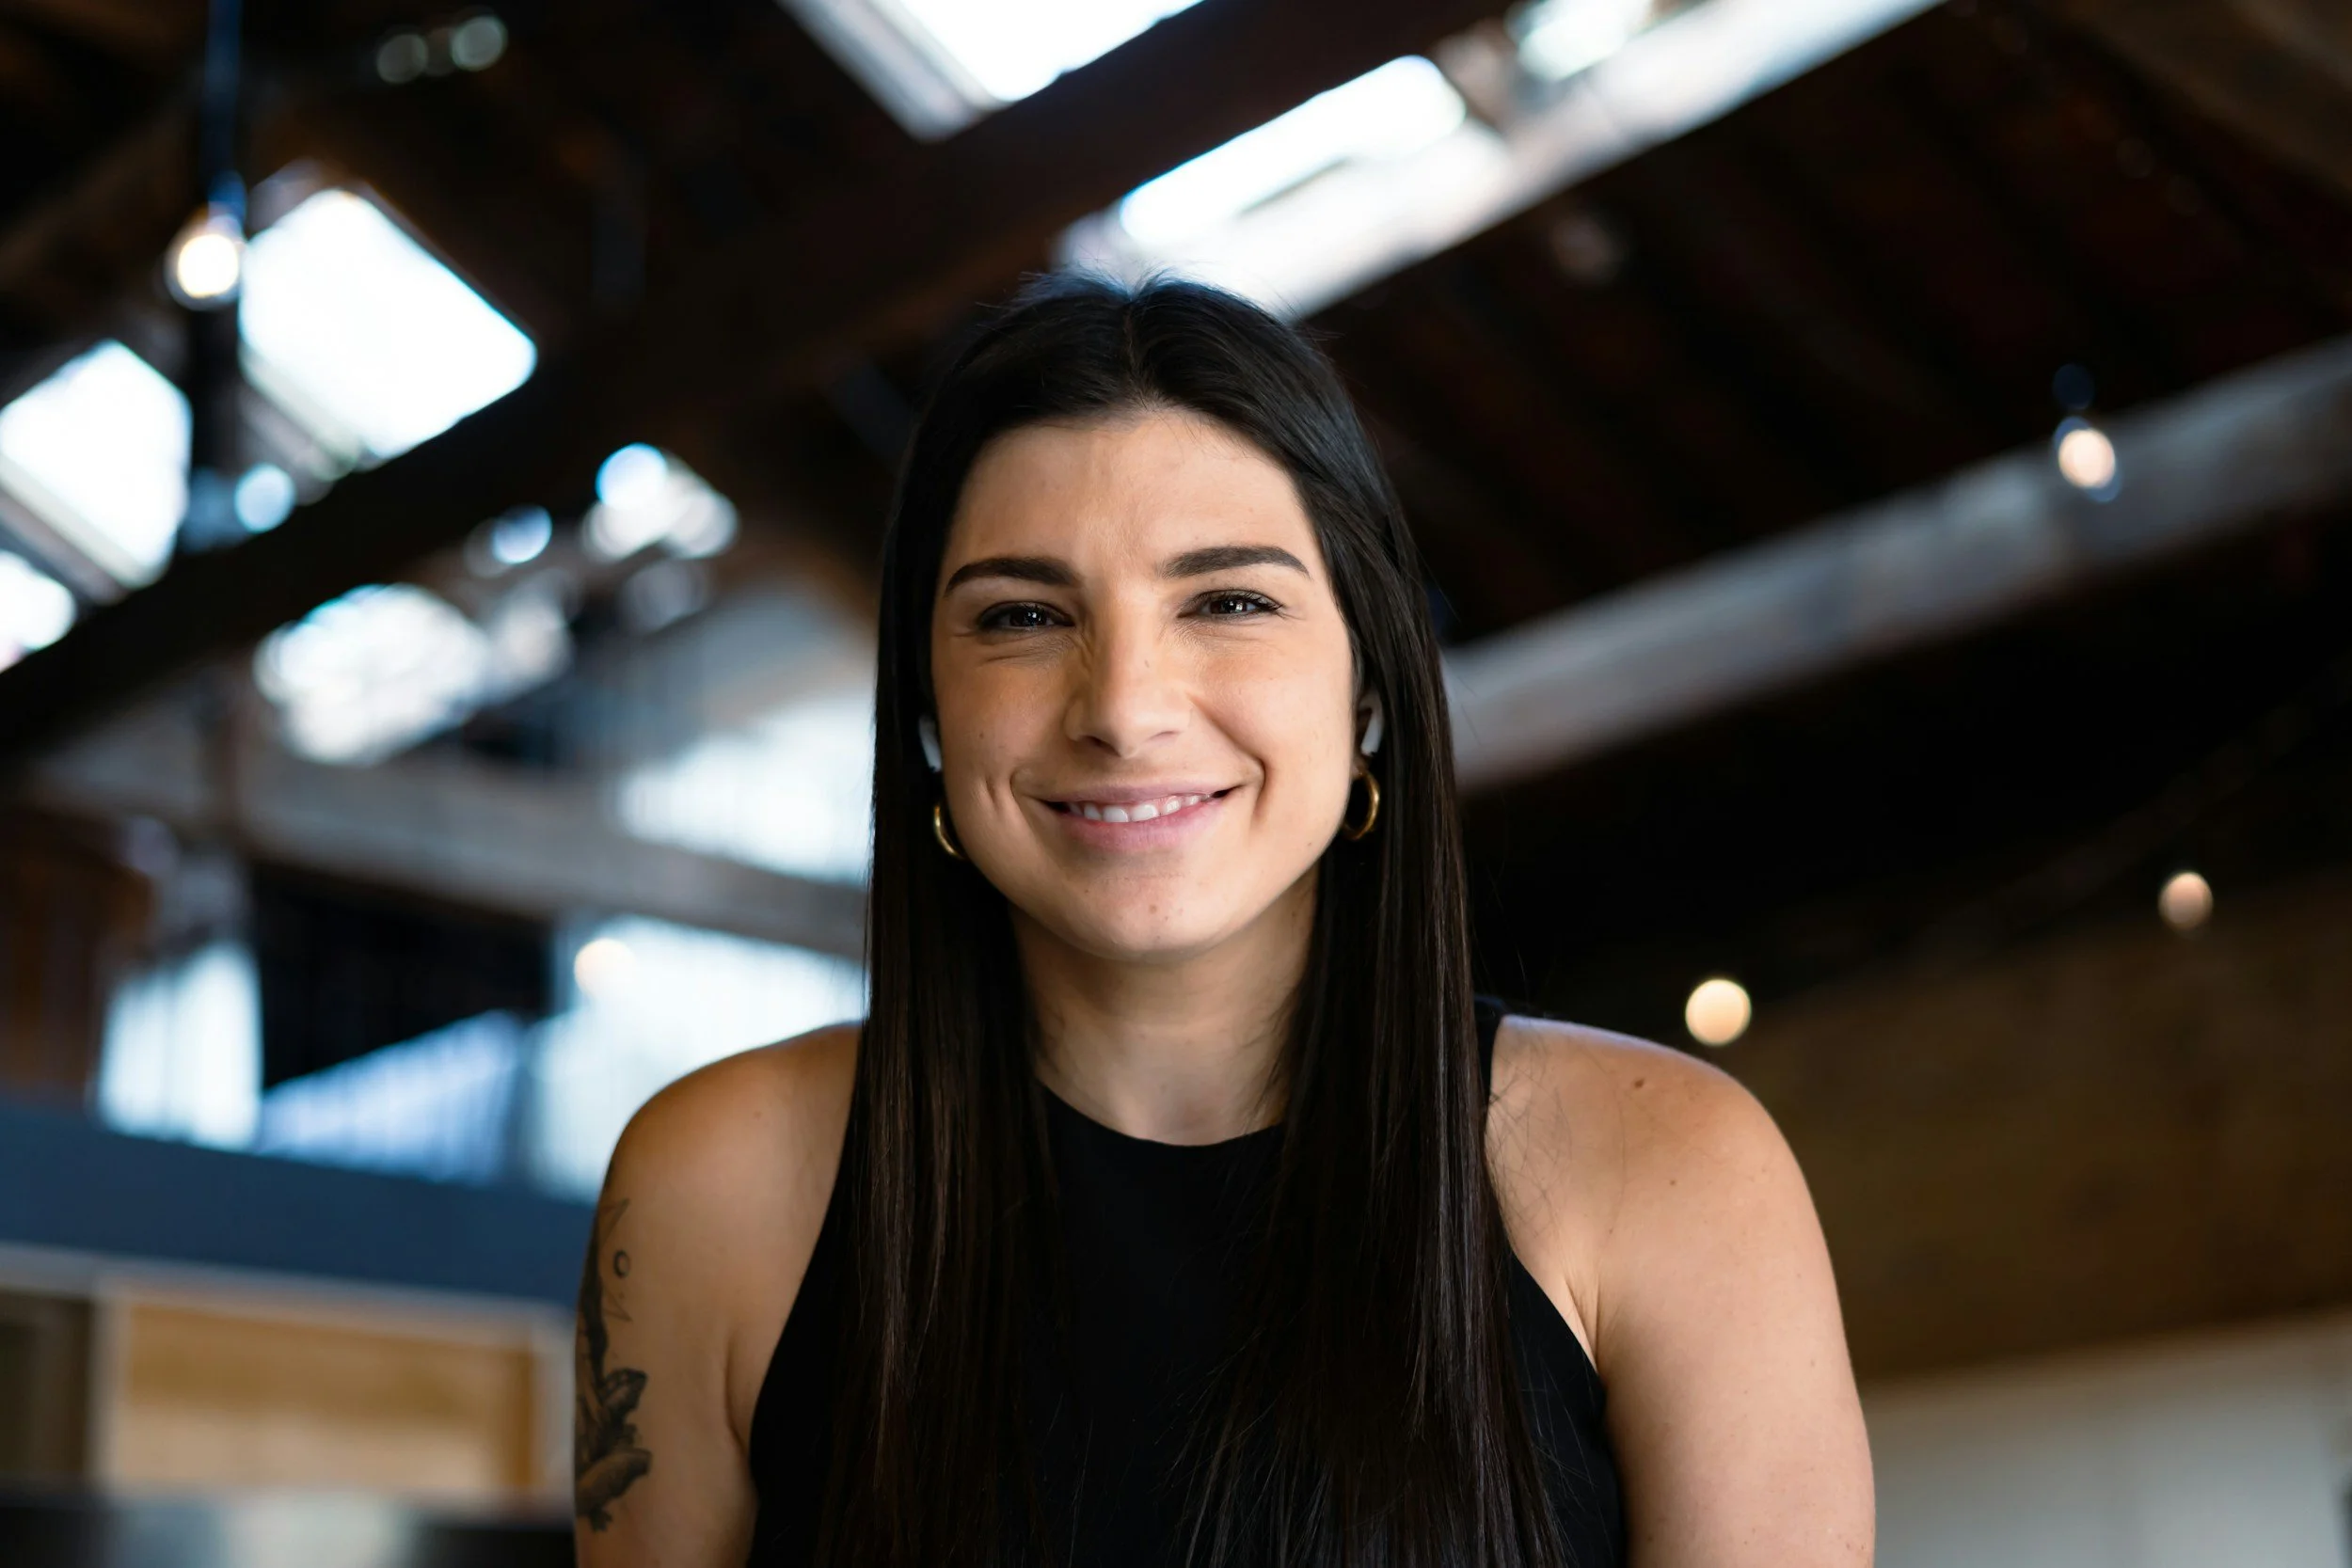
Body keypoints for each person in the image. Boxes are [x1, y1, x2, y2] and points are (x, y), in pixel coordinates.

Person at [572, 276, 1873, 1568]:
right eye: (1022, 617)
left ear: (1369, 689)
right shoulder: (714, 1189)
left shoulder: (1668, 1170)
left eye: (1228, 601)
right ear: (927, 711)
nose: (1125, 708)